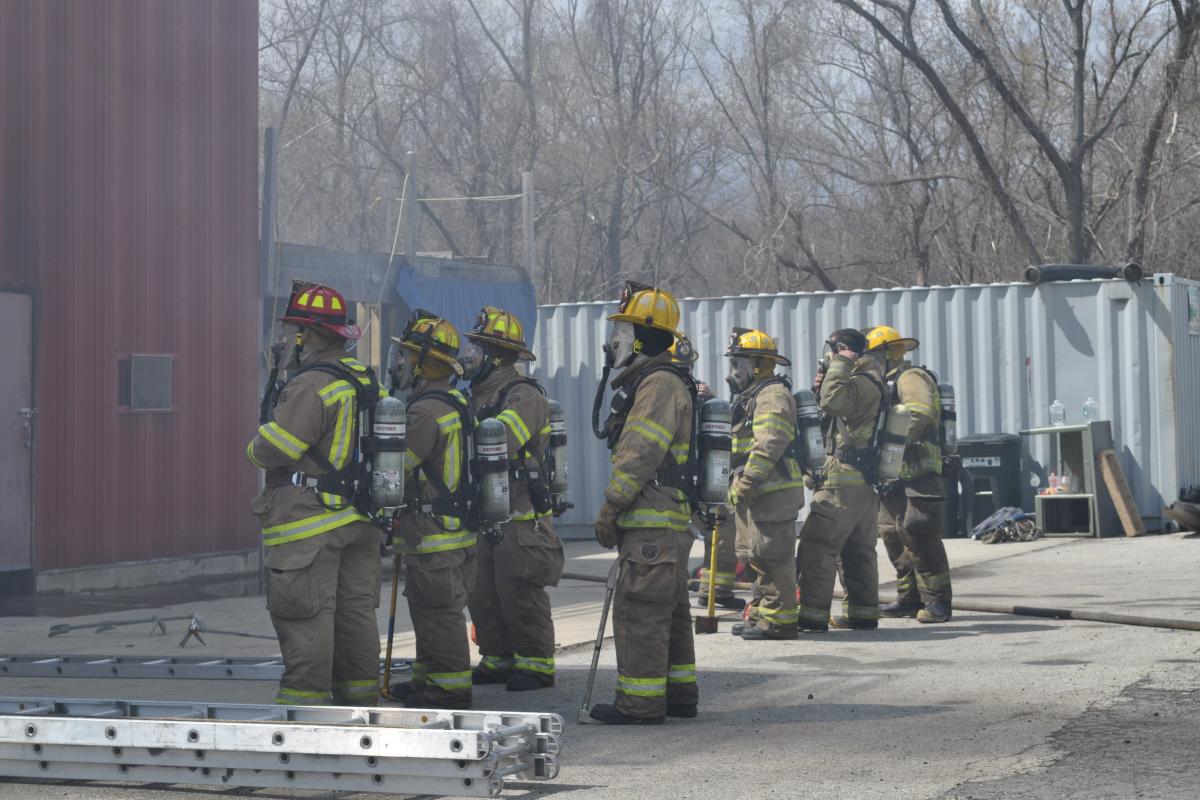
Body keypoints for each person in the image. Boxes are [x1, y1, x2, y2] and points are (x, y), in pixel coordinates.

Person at [247, 283, 384, 706]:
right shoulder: (363, 379)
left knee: (306, 615)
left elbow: (278, 448)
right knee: (355, 616)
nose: (288, 340)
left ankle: (303, 712)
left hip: (312, 523)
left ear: (308, 336)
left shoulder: (312, 384)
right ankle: (359, 704)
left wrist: (253, 444)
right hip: (358, 520)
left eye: (293, 333)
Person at [590, 282, 698, 725]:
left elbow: (638, 453)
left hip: (650, 521)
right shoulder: (663, 380)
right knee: (668, 610)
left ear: (641, 337)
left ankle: (639, 703)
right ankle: (678, 695)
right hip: (667, 520)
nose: (614, 342)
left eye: (623, 332)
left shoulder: (657, 384)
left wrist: (610, 508)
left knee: (639, 611)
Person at [463, 307, 565, 691]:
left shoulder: (523, 396)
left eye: (477, 347)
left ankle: (537, 664)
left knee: (519, 591)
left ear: (497, 357)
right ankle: (498, 657)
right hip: (485, 513)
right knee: (483, 591)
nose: (468, 354)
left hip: (521, 515)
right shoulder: (473, 397)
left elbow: (500, 443)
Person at [386, 311, 478, 709]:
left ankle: (450, 689)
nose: (400, 365)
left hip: (433, 530)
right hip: (453, 527)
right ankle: (428, 678)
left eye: (407, 357)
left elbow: (398, 467)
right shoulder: (456, 400)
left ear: (424, 364)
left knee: (439, 613)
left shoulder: (424, 413)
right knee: (428, 609)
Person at [795, 329, 885, 631]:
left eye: (834, 352)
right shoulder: (865, 381)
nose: (828, 358)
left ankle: (810, 615)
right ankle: (862, 613)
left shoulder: (862, 382)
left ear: (844, 351)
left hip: (843, 480)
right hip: (858, 481)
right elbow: (825, 411)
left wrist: (838, 367)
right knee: (856, 549)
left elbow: (833, 403)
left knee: (817, 546)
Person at [722, 329, 805, 641]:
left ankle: (781, 620)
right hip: (754, 492)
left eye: (737, 364)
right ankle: (760, 614)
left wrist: (748, 480)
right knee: (754, 555)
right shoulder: (753, 395)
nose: (732, 373)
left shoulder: (772, 396)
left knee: (773, 556)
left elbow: (770, 442)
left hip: (771, 491)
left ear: (757, 365)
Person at [866, 325, 952, 623]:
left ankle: (938, 602)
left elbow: (921, 412)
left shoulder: (909, 377)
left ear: (889, 353)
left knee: (920, 535)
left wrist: (890, 444)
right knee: (892, 535)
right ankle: (909, 598)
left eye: (873, 355)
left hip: (918, 471)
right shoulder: (883, 383)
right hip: (893, 475)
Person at [672, 334, 742, 612]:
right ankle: (672, 597)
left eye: (687, 369)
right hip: (672, 482)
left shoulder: (700, 398)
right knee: (675, 539)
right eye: (680, 369)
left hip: (704, 479)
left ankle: (716, 592)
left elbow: (726, 429)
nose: (685, 375)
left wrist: (711, 400)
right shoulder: (655, 396)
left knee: (723, 528)